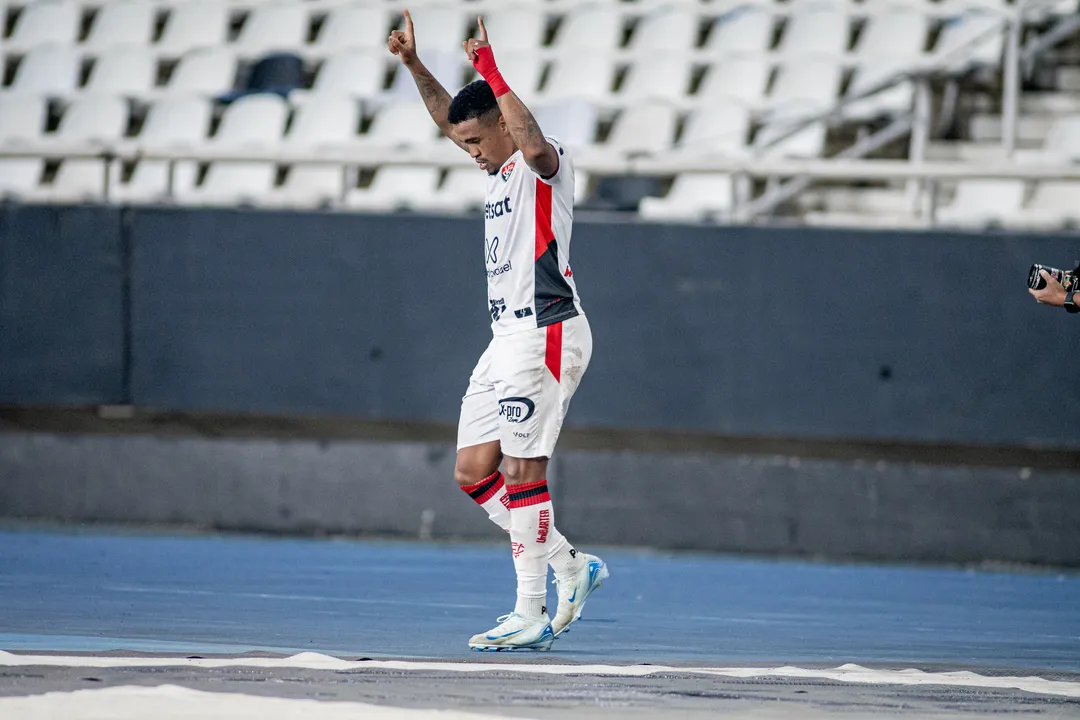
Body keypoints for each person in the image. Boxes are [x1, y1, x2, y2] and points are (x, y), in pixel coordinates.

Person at [388, 11, 608, 651]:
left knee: (522, 469)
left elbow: (529, 138)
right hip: (505, 340)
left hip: (546, 330)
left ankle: (531, 610)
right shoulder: (492, 166)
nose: (472, 152)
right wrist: (414, 65)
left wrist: (489, 66)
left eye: (478, 141)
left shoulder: (543, 166)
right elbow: (448, 117)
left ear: (502, 128)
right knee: (473, 470)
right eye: (464, 146)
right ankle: (569, 565)